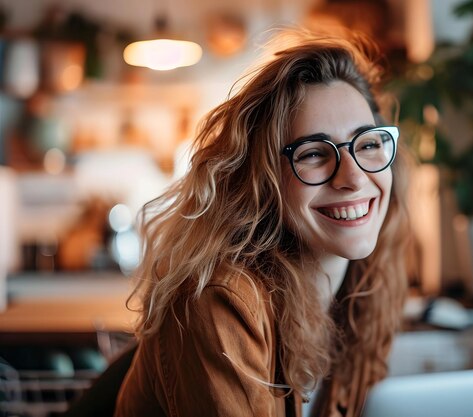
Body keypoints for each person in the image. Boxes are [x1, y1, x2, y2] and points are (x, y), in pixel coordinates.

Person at [114, 28, 413, 417]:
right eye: (313, 154)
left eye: (368, 144)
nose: (354, 177)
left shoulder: (369, 289)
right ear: (263, 179)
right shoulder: (221, 302)